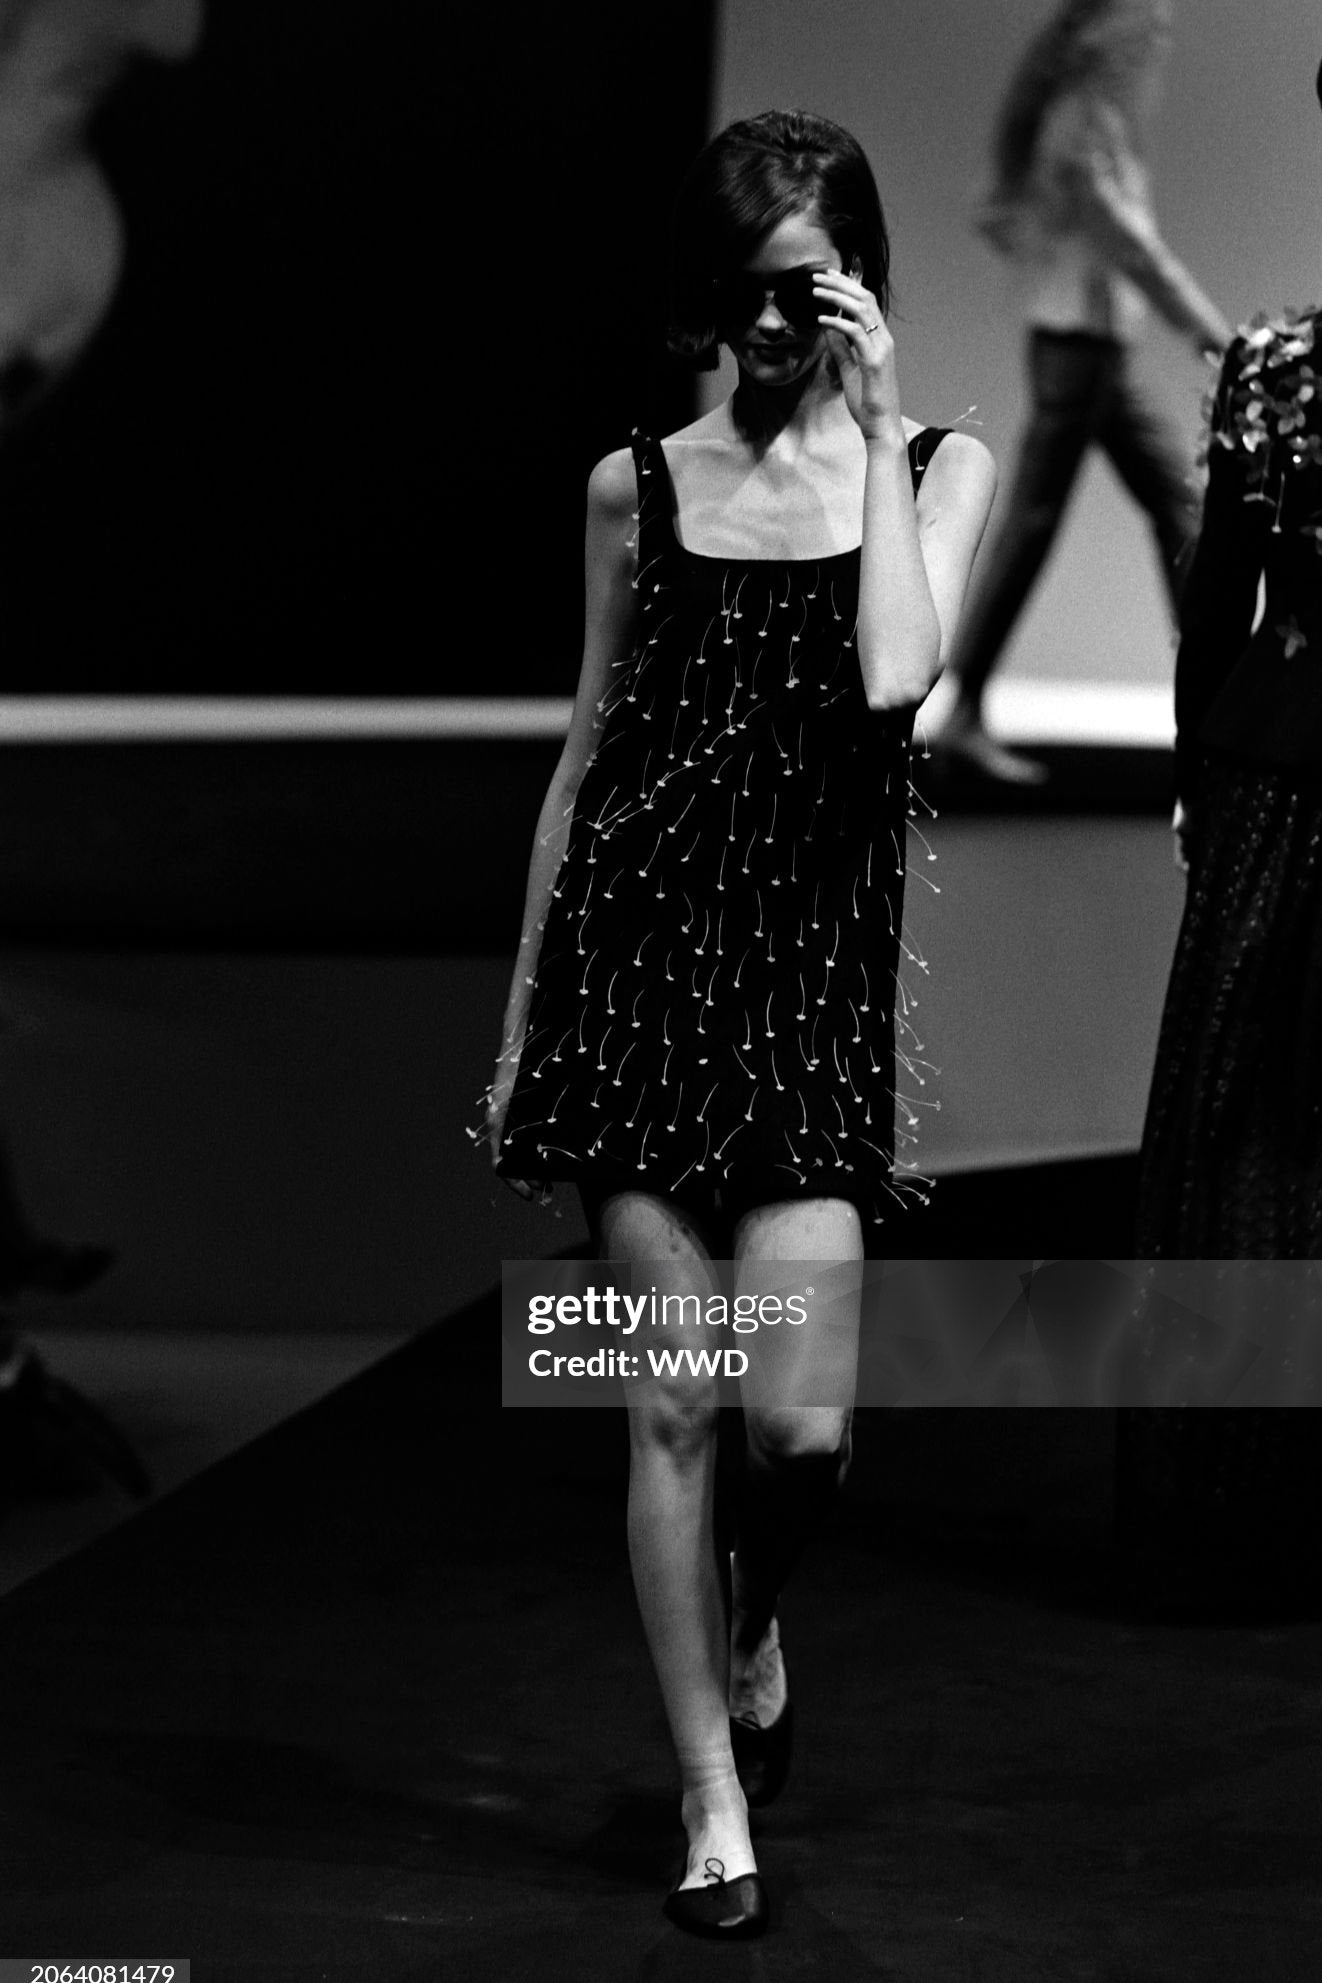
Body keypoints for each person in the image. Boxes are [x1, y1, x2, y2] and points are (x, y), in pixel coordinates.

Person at [480, 109, 995, 1936]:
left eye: (808, 293)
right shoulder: (637, 482)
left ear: (860, 286)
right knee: (673, 1406)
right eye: (743, 298)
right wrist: (524, 1014)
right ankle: (713, 1806)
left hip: (801, 1016)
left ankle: (758, 1617)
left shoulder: (936, 465)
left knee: (798, 1430)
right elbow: (579, 767)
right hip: (633, 997)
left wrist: (868, 423)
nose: (770, 332)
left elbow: (891, 674)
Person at [930, 0, 1229, 783]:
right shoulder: (1080, 125)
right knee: (1058, 520)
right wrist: (1213, 333)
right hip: (1078, 352)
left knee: (1163, 507)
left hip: (1090, 352)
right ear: (1105, 35)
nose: (1159, 42)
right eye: (1149, 27)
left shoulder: (1096, 119)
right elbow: (1133, 248)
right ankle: (964, 710)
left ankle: (1207, 707)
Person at [1136, 66, 1322, 1257]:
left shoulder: (1274, 370)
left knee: (1238, 1139)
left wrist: (1196, 784)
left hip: (1266, 780)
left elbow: (1213, 611)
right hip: (1268, 782)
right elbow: (1211, 607)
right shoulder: (1269, 369)